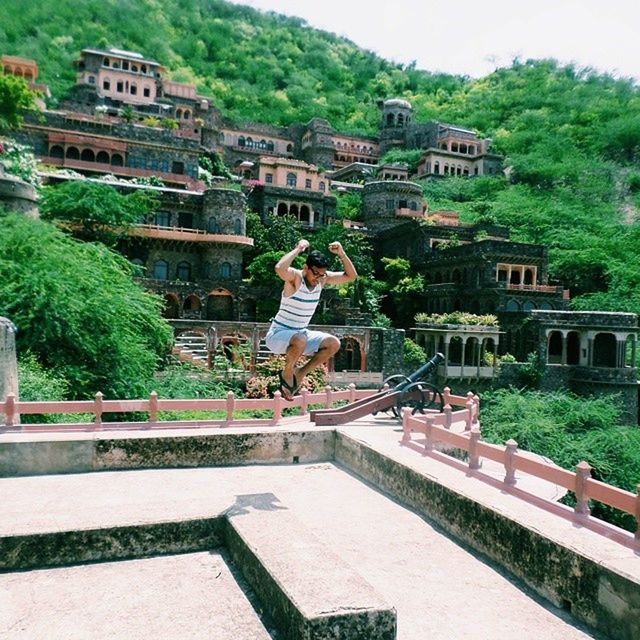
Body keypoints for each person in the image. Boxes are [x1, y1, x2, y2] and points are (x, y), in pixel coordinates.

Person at [265, 239, 358, 400]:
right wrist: (298, 249)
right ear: (306, 268)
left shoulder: (322, 279)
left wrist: (342, 254)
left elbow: (351, 276)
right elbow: (279, 268)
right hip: (277, 335)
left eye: (321, 274)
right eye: (315, 273)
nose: (318, 278)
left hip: (300, 335)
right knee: (300, 338)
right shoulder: (295, 278)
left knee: (333, 343)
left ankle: (300, 372)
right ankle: (287, 372)